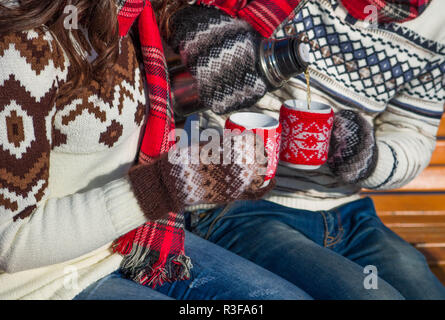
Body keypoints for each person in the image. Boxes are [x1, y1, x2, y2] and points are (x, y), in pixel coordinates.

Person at [0, 0, 312, 300]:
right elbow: (9, 241)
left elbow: (132, 127)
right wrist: (170, 184)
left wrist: (219, 164)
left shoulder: (134, 15)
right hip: (43, 283)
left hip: (131, 242)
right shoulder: (25, 45)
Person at [168, 0, 445, 299]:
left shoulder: (438, 19)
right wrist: (199, 28)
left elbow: (412, 130)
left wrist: (367, 158)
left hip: (347, 213)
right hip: (237, 206)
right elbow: (176, 13)